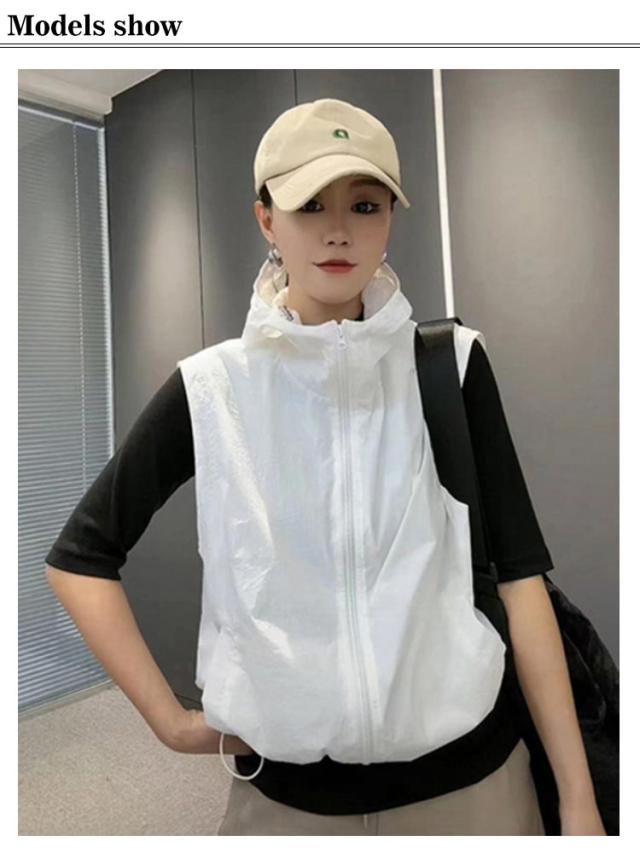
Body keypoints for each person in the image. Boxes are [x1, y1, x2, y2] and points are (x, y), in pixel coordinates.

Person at [44, 98, 605, 835]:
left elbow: (521, 580)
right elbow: (80, 558)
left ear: (389, 219)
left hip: (473, 790)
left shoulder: (451, 365)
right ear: (266, 220)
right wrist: (172, 724)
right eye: (309, 204)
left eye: (365, 205)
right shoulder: (213, 388)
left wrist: (577, 797)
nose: (338, 229)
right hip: (287, 807)